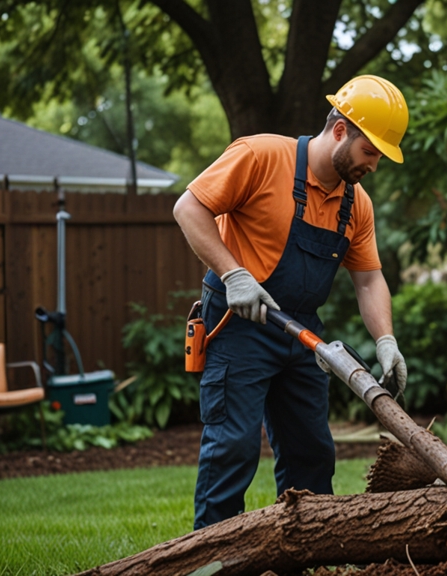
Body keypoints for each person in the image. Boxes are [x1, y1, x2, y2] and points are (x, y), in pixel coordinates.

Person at [173, 75, 410, 529]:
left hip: (301, 333)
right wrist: (234, 274)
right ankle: (212, 556)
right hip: (239, 323)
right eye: (370, 152)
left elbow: (368, 278)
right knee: (233, 448)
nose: (374, 166)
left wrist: (385, 340)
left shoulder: (356, 203)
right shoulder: (260, 156)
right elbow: (189, 208)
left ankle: (306, 555)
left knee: (313, 453)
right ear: (340, 130)